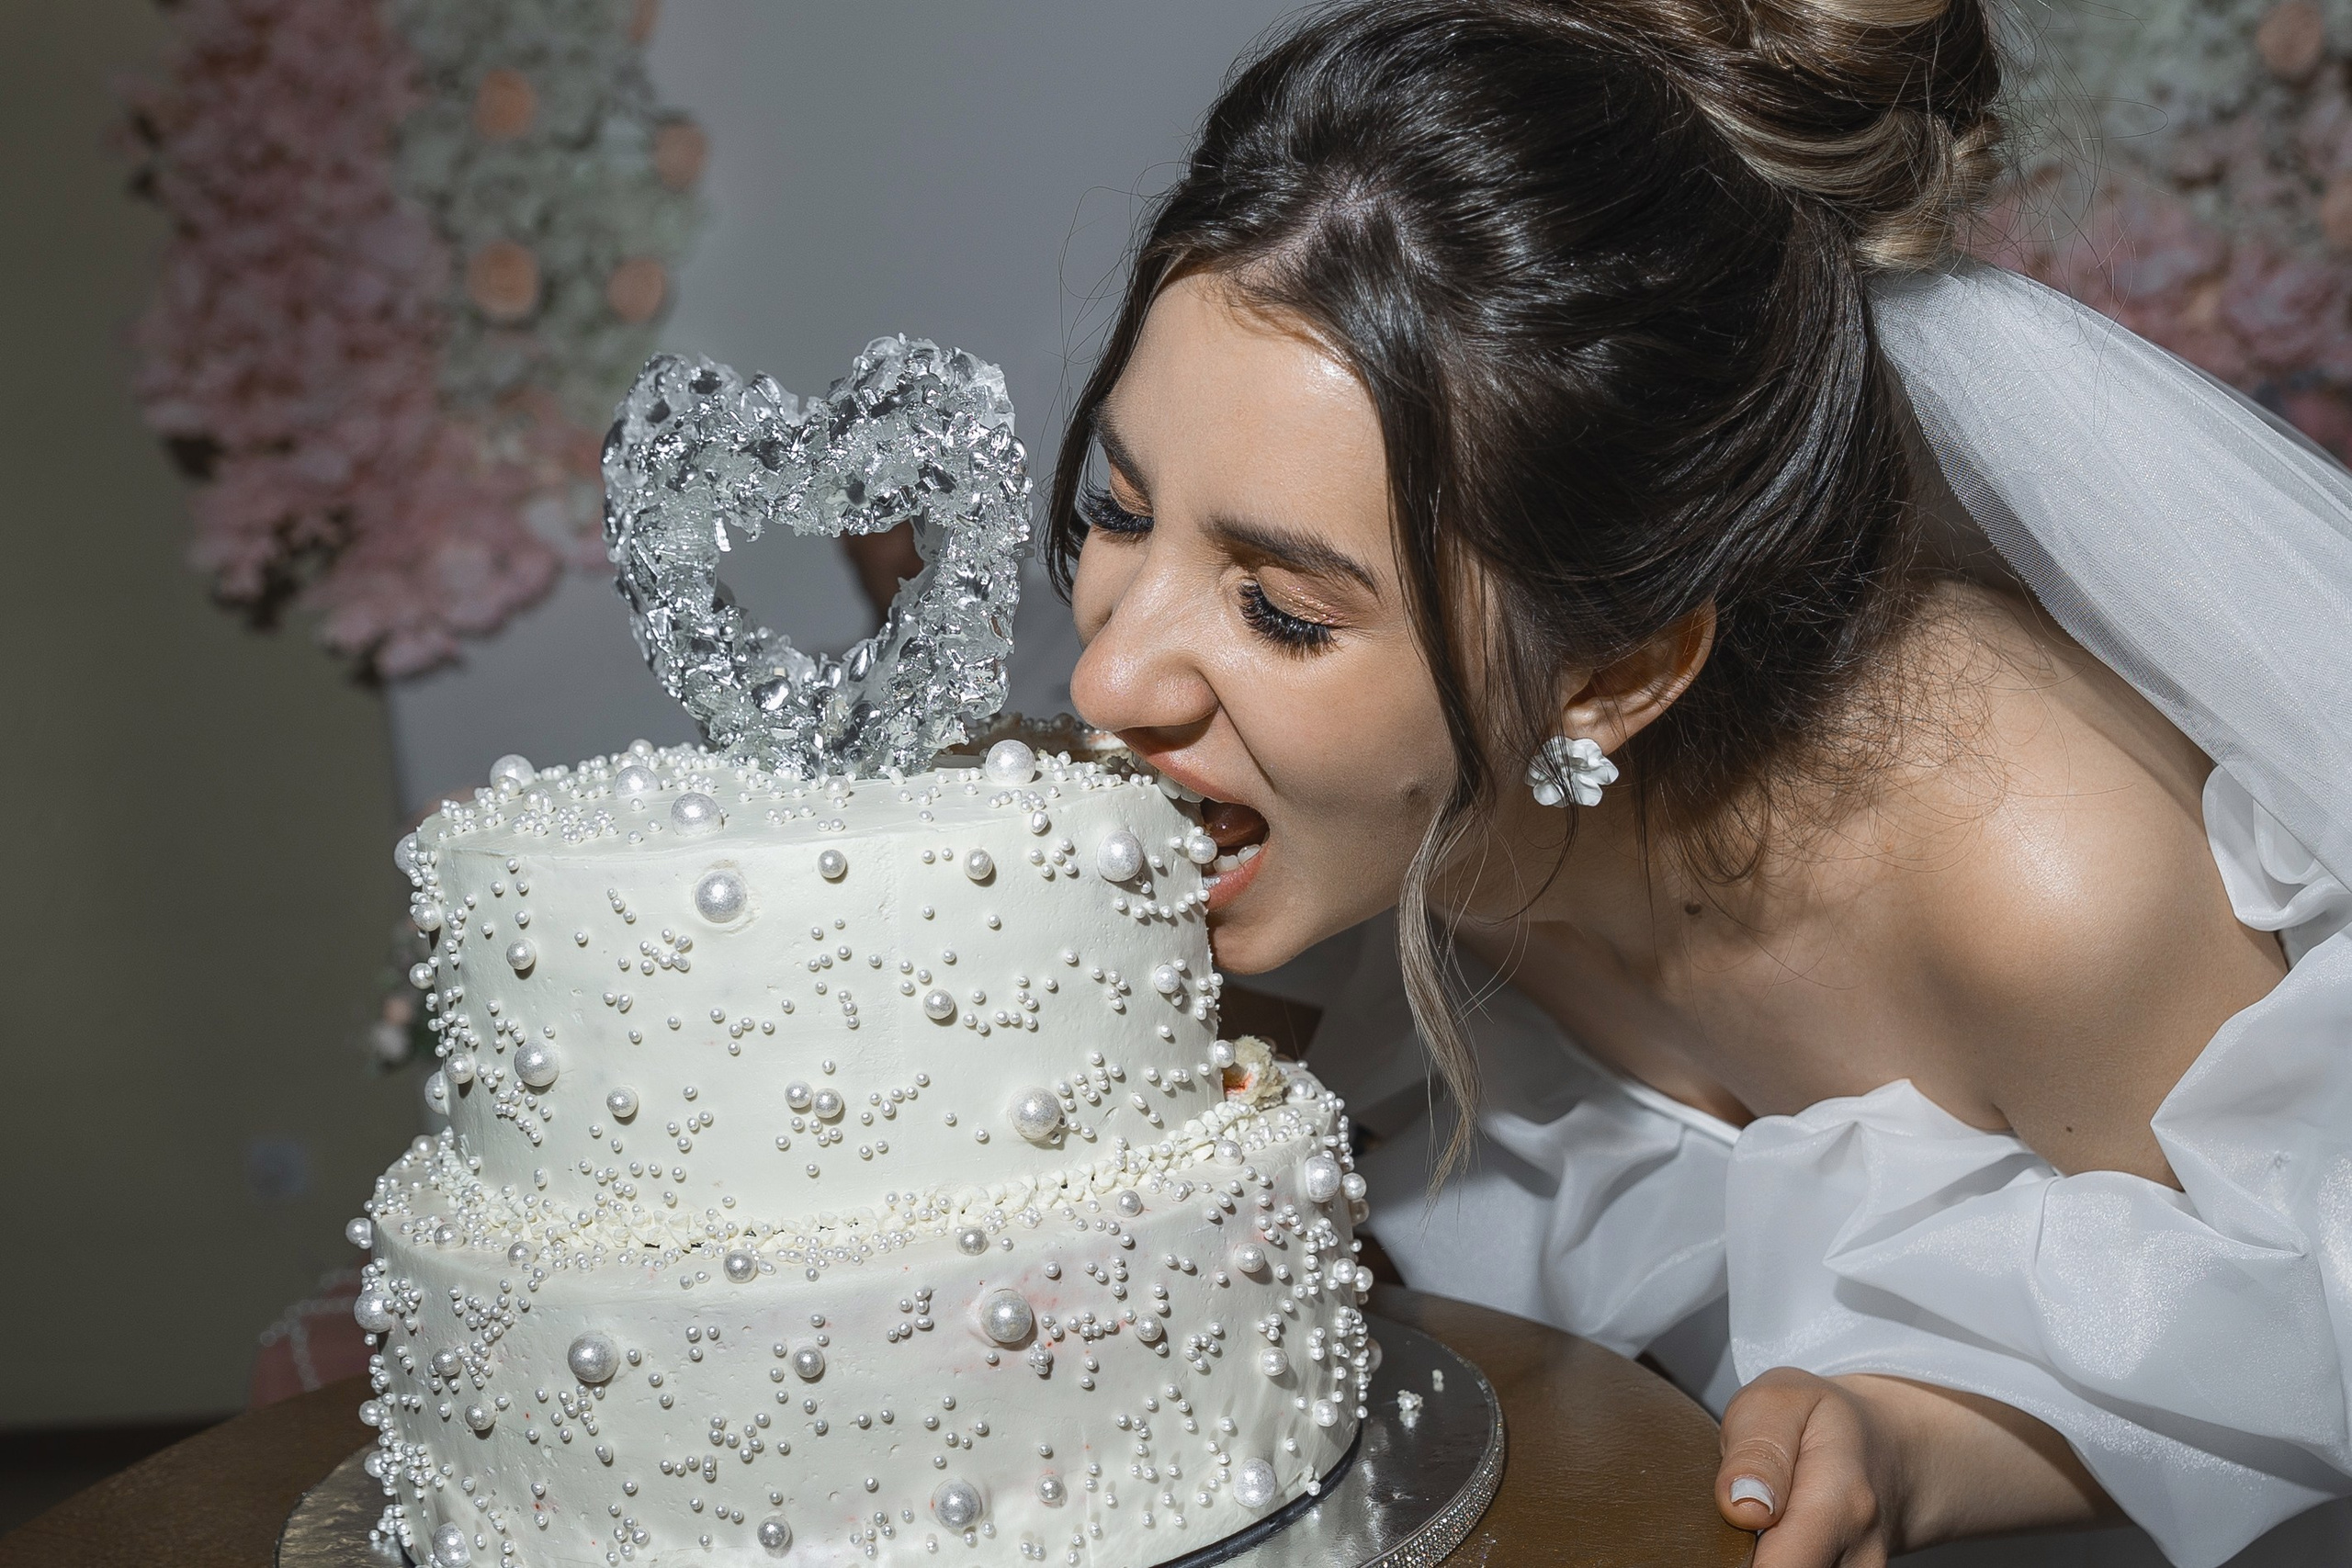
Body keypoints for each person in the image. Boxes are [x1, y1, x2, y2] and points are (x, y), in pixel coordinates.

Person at [1041, 3, 2352, 1564]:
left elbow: (2297, 1322)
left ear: (1608, 681)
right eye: (1121, 511)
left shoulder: (2056, 888)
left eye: (1283, 613)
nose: (1108, 682)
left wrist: (1929, 1446)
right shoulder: (1351, 801)